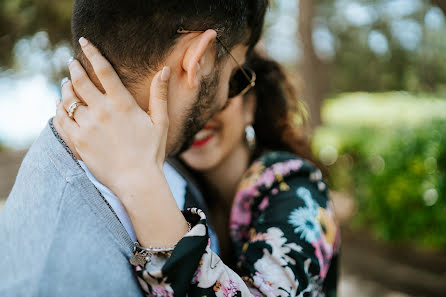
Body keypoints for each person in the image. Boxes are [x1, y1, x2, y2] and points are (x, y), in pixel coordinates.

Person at [0, 1, 268, 295]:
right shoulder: (51, 280)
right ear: (200, 57)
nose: (224, 99)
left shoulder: (170, 159)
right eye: (233, 74)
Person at [55, 46, 340, 296]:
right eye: (180, 101)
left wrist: (139, 181)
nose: (199, 117)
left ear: (250, 107)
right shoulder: (181, 187)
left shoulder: (297, 187)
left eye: (214, 94)